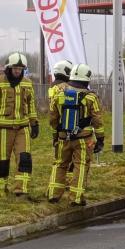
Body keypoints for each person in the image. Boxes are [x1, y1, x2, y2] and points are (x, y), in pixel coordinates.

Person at [47, 64, 105, 206]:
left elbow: (53, 118)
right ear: (87, 79)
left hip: (62, 137)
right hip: (83, 139)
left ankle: (53, 195)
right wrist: (100, 139)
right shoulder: (91, 97)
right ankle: (76, 198)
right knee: (81, 165)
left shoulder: (60, 93)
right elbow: (97, 120)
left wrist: (56, 135)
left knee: (59, 164)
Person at [0, 53, 38, 197]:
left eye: (20, 68)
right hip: (3, 129)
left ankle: (20, 190)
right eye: (15, 68)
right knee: (2, 160)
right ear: (9, 68)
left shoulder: (27, 83)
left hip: (23, 128)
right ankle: (1, 190)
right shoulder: (0, 82)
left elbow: (31, 104)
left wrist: (34, 123)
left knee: (24, 159)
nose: (18, 71)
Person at [48, 60, 74, 188]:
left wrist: (54, 134)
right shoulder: (68, 87)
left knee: (60, 159)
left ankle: (57, 185)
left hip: (58, 128)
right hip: (71, 126)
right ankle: (69, 183)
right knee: (71, 158)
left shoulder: (53, 88)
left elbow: (53, 114)